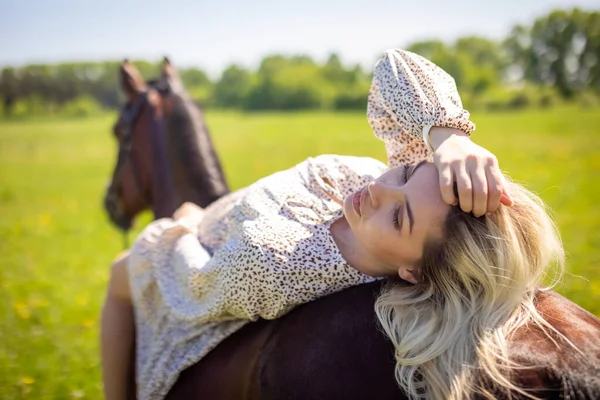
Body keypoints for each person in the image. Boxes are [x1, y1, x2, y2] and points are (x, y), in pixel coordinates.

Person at [100, 49, 564, 400]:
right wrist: (448, 138)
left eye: (399, 216)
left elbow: (195, 282)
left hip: (209, 250)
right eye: (405, 173)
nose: (380, 190)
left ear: (412, 273)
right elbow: (394, 67)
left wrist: (186, 221)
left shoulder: (272, 264)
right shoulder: (383, 203)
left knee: (122, 272)